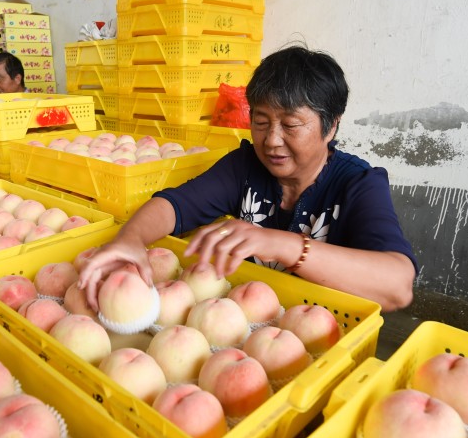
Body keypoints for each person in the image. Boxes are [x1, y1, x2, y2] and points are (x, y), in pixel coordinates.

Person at [78, 44, 417, 313]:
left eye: (291, 125)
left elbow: (398, 286)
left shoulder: (358, 184)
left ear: (331, 126)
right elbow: (174, 206)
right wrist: (131, 239)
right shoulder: (245, 166)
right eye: (261, 121)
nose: (271, 140)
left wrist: (279, 244)